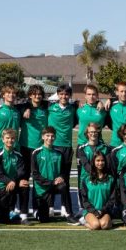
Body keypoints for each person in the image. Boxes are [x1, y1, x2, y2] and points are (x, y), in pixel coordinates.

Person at [17, 84, 49, 221]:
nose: (37, 96)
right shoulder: (23, 107)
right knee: (24, 180)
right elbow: (10, 105)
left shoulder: (46, 107)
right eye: (34, 94)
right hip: (25, 148)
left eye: (39, 94)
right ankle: (23, 211)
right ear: (30, 95)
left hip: (40, 149)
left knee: (39, 181)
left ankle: (37, 209)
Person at [32, 126, 75, 223]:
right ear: (43, 137)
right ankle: (38, 213)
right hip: (42, 188)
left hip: (54, 185)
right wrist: (50, 182)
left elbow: (64, 170)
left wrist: (61, 177)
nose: (50, 138)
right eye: (47, 136)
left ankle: (69, 214)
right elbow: (35, 174)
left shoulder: (59, 153)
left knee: (63, 186)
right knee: (44, 220)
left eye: (52, 136)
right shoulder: (36, 153)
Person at [48, 84, 78, 217]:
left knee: (64, 178)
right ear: (57, 95)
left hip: (66, 147)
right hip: (53, 146)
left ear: (70, 95)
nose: (64, 96)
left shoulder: (73, 108)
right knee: (51, 176)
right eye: (61, 94)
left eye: (66, 94)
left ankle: (64, 207)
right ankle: (50, 206)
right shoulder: (50, 107)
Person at [0, 128, 29, 224]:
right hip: (1, 186)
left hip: (13, 183)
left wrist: (13, 181)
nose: (10, 140)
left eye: (12, 138)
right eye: (7, 138)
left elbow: (21, 172)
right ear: (3, 139)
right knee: (4, 220)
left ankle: (24, 216)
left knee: (25, 185)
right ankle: (6, 213)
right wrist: (10, 181)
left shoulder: (18, 155)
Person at [79, 151, 116, 230]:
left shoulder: (110, 179)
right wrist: (94, 211)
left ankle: (107, 220)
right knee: (96, 225)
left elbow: (112, 199)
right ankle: (84, 222)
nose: (100, 163)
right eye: (98, 160)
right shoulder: (86, 179)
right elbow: (84, 200)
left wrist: (103, 210)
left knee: (104, 225)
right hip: (90, 211)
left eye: (102, 160)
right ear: (93, 162)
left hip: (105, 211)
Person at [0, 84, 22, 152]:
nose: (11, 95)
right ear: (3, 95)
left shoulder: (18, 111)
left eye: (13, 93)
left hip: (14, 148)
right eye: (8, 92)